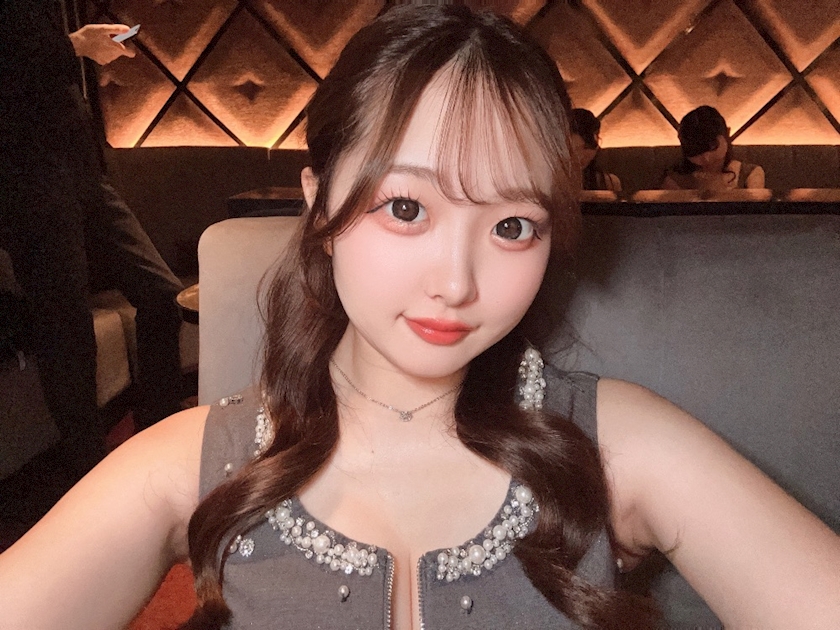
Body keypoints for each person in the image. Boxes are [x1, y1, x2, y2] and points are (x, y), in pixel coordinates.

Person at [1, 6, 838, 630]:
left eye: (514, 226)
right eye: (406, 207)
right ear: (318, 202)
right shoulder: (187, 464)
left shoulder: (619, 446)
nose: (457, 283)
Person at [0, 0, 184, 482]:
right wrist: (75, 46)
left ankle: (158, 435)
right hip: (23, 176)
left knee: (162, 294)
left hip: (78, 166)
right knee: (66, 329)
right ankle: (89, 475)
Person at [662, 105, 765, 190]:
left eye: (713, 147)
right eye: (697, 152)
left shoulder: (749, 174)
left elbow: (755, 208)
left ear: (726, 135)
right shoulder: (675, 180)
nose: (706, 158)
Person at [569, 108, 621, 192]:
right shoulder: (551, 181)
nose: (580, 156)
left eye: (587, 148)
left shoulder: (607, 182)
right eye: (573, 150)